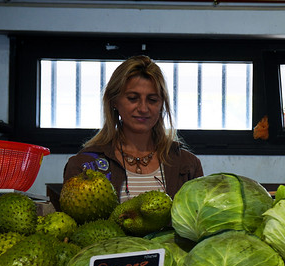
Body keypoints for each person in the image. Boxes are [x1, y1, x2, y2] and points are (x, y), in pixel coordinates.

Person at [63, 55, 203, 201]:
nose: (143, 108)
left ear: (162, 104)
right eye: (132, 98)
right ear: (114, 101)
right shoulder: (85, 164)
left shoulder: (187, 164)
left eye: (152, 100)